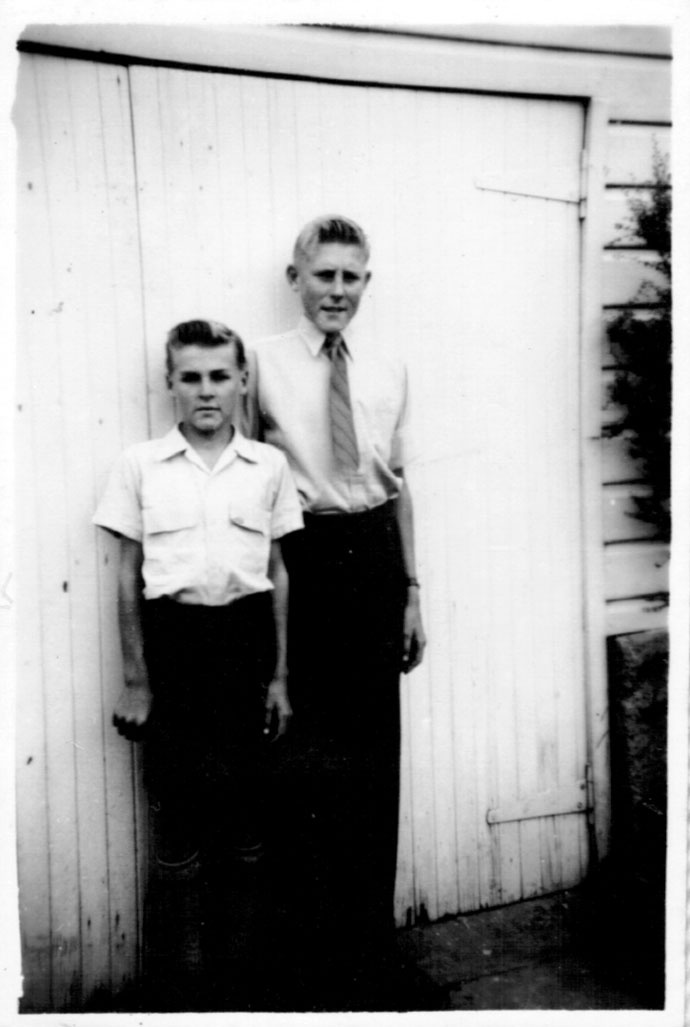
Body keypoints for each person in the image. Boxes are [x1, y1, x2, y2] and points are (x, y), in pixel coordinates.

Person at [93, 319, 303, 1009]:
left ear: (243, 380)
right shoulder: (140, 465)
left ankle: (241, 972)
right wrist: (136, 677)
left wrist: (278, 678)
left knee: (247, 815)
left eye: (220, 375)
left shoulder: (268, 467)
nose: (207, 390)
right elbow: (127, 577)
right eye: (191, 376)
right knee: (178, 812)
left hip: (245, 648)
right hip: (174, 648)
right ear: (171, 384)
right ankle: (184, 979)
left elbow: (277, 571)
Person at [246, 215, 427, 1010]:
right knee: (302, 765)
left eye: (351, 277)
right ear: (296, 279)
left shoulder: (388, 366)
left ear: (367, 284)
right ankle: (304, 961)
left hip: (375, 561)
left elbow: (400, 482)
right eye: (323, 275)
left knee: (374, 763)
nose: (337, 291)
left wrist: (413, 588)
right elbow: (246, 476)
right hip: (304, 558)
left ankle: (369, 953)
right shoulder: (261, 363)